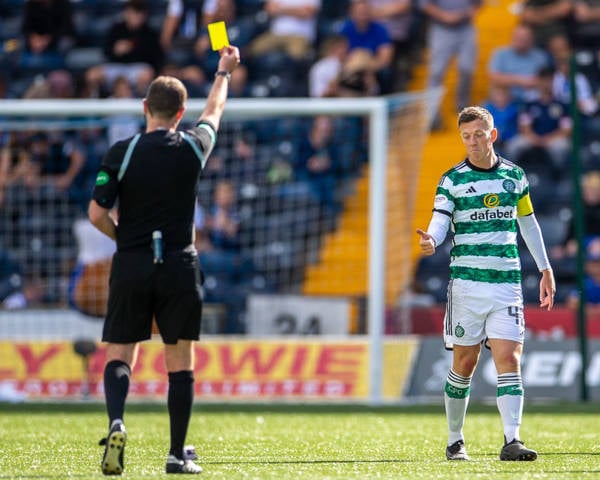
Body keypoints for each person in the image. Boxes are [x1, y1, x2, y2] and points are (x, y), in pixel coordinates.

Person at [88, 44, 240, 475]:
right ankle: (176, 454)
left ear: (144, 108)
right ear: (180, 112)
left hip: (133, 262)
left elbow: (96, 212)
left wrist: (125, 239)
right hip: (179, 263)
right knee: (180, 360)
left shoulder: (122, 151)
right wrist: (222, 72)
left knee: (121, 352)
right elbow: (214, 113)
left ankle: (117, 421)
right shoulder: (194, 147)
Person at [416, 106, 555, 462]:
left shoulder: (514, 176)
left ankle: (512, 440)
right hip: (466, 285)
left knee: (510, 359)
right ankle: (454, 439)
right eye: (466, 136)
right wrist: (431, 240)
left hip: (506, 284)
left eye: (479, 134)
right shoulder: (452, 180)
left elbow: (528, 223)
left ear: (492, 135)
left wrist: (545, 268)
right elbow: (439, 219)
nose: (473, 141)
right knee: (465, 364)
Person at [419, 0, 481, 128]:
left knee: (467, 68)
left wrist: (469, 12)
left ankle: (463, 105)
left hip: (466, 27)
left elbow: (478, 3)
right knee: (436, 73)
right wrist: (443, 15)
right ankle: (432, 115)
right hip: (441, 28)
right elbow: (424, 4)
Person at [487, 23, 551, 103]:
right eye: (518, 38)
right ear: (512, 37)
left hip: (533, 100)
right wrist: (520, 81)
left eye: (525, 38)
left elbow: (546, 80)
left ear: (532, 39)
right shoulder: (500, 54)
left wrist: (537, 82)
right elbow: (494, 77)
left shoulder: (540, 56)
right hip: (505, 100)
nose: (521, 41)